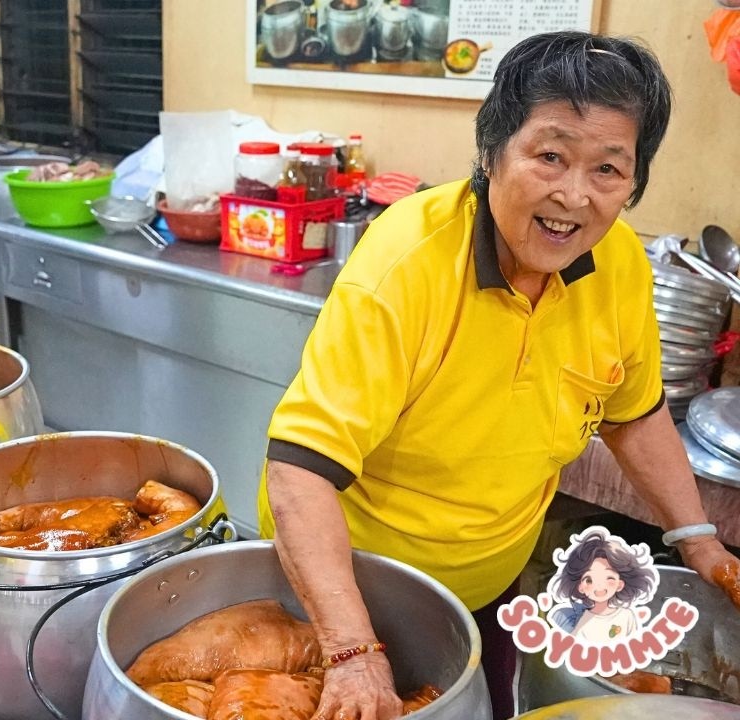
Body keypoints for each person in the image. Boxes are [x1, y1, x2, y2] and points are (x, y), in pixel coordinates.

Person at [256, 31, 740, 720]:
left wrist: (698, 540)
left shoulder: (621, 266)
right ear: (491, 152)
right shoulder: (407, 264)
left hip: (482, 590)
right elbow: (299, 471)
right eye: (550, 156)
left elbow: (633, 413)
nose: (574, 195)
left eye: (608, 169)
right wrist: (352, 651)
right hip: (339, 595)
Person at [546, 529, 656, 642]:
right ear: (580, 587)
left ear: (620, 584)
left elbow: (634, 647)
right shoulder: (578, 620)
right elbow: (571, 648)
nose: (599, 586)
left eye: (609, 578)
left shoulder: (627, 616)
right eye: (589, 580)